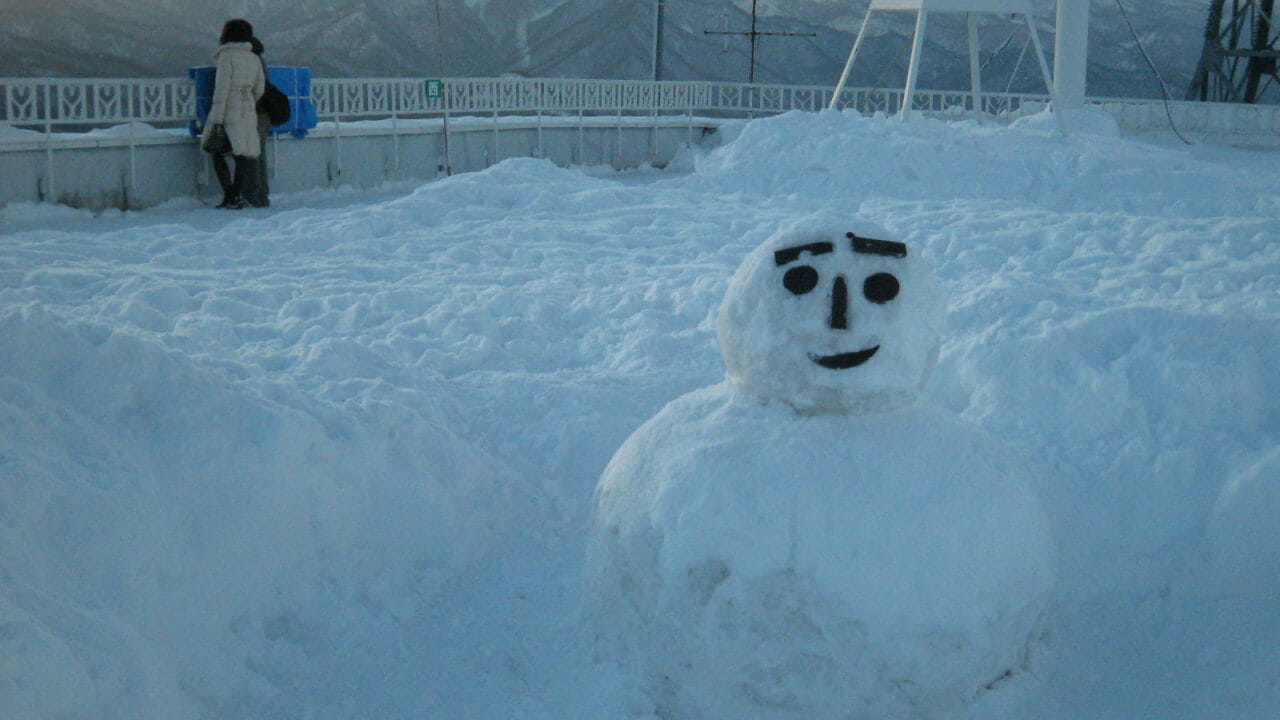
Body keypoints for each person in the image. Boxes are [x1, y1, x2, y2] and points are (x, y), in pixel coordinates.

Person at [203, 19, 264, 209]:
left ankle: (229, 195)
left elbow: (221, 89)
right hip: (247, 110)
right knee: (242, 154)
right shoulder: (254, 57)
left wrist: (217, 119)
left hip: (229, 109)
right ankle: (237, 196)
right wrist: (247, 100)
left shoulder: (227, 56)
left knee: (216, 151)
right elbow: (259, 88)